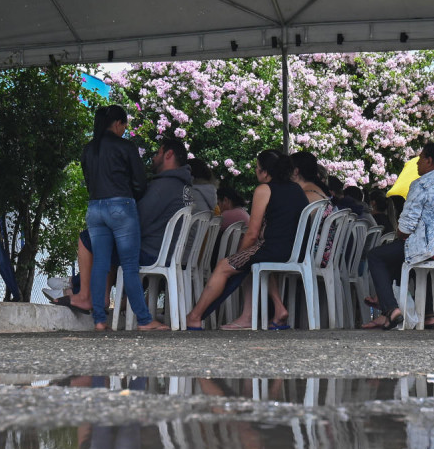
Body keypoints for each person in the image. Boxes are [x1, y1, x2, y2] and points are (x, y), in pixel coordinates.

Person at [55, 135, 192, 318]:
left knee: (89, 237)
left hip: (153, 254)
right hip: (170, 254)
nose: (153, 157)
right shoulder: (184, 187)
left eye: (158, 152)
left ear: (168, 155)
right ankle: (90, 293)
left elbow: (135, 222)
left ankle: (82, 293)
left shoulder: (163, 187)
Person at [185, 150, 306, 331]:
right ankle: (275, 310)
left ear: (265, 172)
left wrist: (238, 256)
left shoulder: (264, 190)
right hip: (296, 250)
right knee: (254, 264)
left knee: (224, 266)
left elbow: (252, 233)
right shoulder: (296, 189)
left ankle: (194, 317)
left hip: (273, 248)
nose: (256, 172)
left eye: (257, 168)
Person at [361, 142, 434, 329]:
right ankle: (428, 316)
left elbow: (406, 226)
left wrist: (401, 234)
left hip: (433, 247)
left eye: (420, 159)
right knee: (409, 255)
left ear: (429, 160)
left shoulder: (422, 184)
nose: (417, 164)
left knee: (377, 255)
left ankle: (390, 309)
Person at [80, 105, 168, 331]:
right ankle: (144, 320)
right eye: (124, 126)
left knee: (100, 264)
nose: (124, 130)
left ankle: (99, 320)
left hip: (94, 208)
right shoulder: (125, 146)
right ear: (118, 123)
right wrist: (130, 197)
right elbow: (140, 182)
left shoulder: (88, 149)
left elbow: (89, 181)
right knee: (129, 266)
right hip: (121, 206)